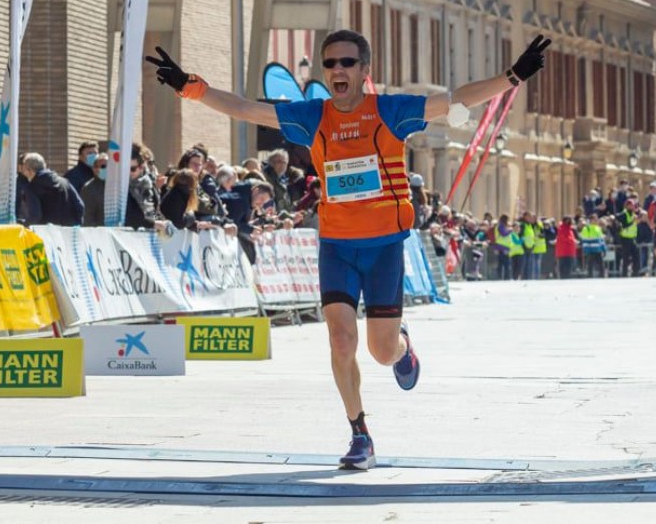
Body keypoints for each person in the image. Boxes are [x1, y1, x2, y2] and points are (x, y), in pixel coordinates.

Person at [146, 29, 549, 470]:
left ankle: (401, 347)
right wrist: (192, 88)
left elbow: (458, 99)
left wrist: (512, 76)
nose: (338, 70)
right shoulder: (311, 116)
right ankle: (360, 433)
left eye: (347, 63)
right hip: (337, 246)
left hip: (384, 248)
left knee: (379, 351)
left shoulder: (391, 110)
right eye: (331, 63)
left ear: (364, 70)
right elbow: (245, 108)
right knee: (340, 340)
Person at [22, 152, 84, 226]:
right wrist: (75, 224)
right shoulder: (65, 182)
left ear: (29, 171)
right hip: (67, 233)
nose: (24, 174)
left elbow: (35, 216)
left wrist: (24, 227)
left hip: (44, 234)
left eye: (24, 170)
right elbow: (80, 206)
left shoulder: (31, 187)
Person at [81, 153, 108, 226]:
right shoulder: (88, 188)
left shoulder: (117, 186)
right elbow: (87, 218)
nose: (99, 169)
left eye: (103, 166)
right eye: (96, 166)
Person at [615, 199, 640, 277]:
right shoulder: (623, 214)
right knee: (626, 258)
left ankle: (635, 273)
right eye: (630, 205)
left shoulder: (633, 214)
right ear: (627, 206)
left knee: (636, 256)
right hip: (625, 238)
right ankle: (624, 274)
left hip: (632, 238)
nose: (632, 206)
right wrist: (633, 221)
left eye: (633, 205)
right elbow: (624, 225)